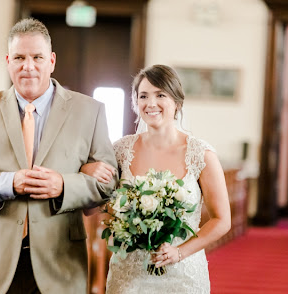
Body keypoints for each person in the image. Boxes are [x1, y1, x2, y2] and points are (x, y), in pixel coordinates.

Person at [0, 18, 117, 293]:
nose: (28, 66)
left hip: (60, 260)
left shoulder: (90, 111)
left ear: (51, 60)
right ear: (8, 61)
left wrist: (64, 185)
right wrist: (7, 183)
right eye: (19, 57)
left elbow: (109, 181)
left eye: (37, 57)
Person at [80, 64, 231, 293]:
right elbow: (92, 206)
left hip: (182, 274)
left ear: (177, 103)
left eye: (160, 95)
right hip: (129, 275)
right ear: (135, 103)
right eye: (143, 96)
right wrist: (86, 172)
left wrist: (179, 252)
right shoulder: (120, 151)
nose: (151, 103)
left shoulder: (201, 155)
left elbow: (222, 220)